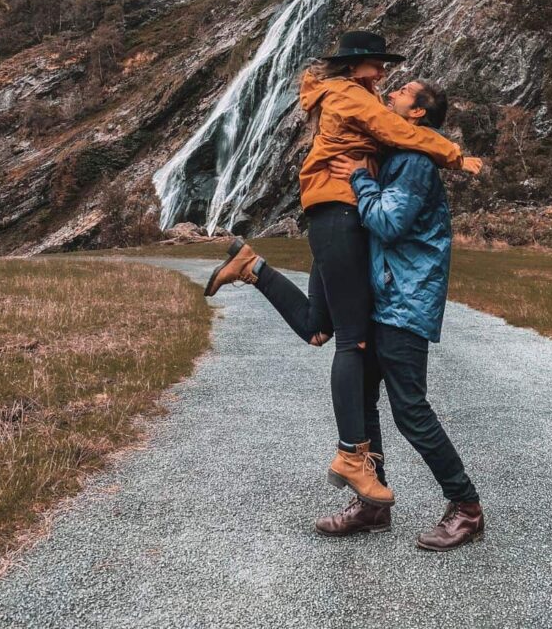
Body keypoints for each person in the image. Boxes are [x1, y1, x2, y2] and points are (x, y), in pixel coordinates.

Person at [205, 30, 483, 509]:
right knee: (353, 342)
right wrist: (458, 156)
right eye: (378, 65)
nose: (385, 76)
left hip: (331, 218)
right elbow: (399, 133)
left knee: (319, 327)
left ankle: (252, 268)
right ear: (357, 65)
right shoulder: (353, 96)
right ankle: (354, 458)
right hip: (340, 213)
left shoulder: (343, 95)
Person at [314, 79, 484, 550]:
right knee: (365, 401)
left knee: (410, 408)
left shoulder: (412, 162)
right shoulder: (397, 154)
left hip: (405, 300)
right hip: (384, 296)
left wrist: (359, 178)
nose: (391, 93)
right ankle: (374, 503)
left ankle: (466, 507)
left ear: (418, 114)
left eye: (404, 92)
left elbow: (389, 222)